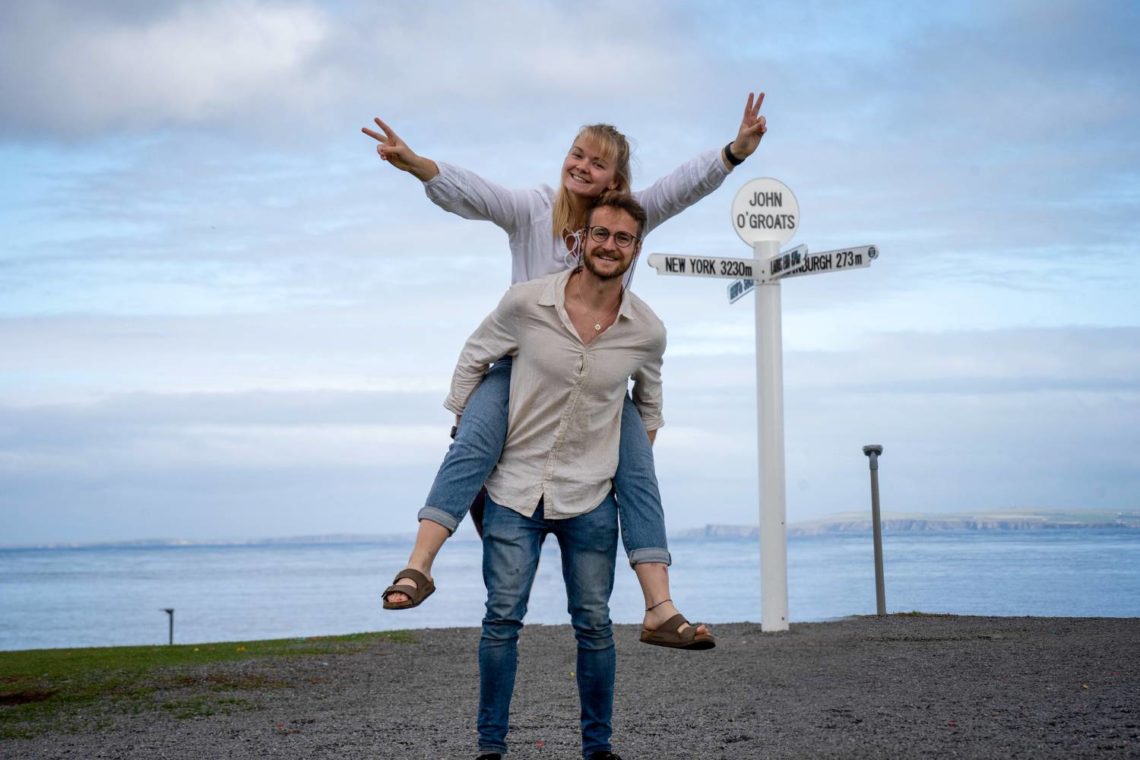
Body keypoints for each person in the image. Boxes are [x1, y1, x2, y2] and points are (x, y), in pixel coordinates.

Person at [362, 92, 767, 640]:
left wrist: (733, 153)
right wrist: (418, 166)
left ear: (614, 182)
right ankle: (419, 565)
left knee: (639, 470)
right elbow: (475, 193)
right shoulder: (533, 210)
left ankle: (659, 608)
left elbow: (681, 186)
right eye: (577, 153)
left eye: (597, 162)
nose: (581, 165)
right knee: (472, 444)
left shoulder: (624, 227)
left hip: (596, 376)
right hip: (519, 368)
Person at [454, 193, 674, 759]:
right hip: (514, 489)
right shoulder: (527, 304)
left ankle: (597, 750)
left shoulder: (646, 330)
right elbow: (475, 356)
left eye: (623, 238)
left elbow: (649, 405)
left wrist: (622, 460)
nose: (610, 245)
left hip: (591, 499)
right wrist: (464, 428)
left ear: (636, 247)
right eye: (601, 234)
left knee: (595, 625)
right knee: (502, 619)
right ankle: (489, 749)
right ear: (581, 239)